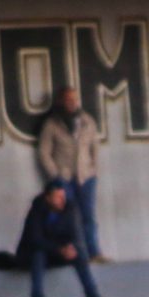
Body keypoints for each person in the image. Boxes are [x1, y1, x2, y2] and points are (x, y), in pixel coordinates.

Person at [38, 86, 108, 263]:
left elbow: (95, 147)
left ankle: (94, 252)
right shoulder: (52, 124)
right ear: (60, 101)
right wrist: (56, 175)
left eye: (74, 99)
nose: (72, 103)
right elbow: (43, 152)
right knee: (68, 217)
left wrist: (93, 169)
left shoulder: (87, 121)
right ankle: (74, 254)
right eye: (68, 99)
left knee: (88, 216)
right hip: (64, 179)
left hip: (86, 177)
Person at [15, 181, 102, 297]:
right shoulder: (36, 211)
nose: (62, 200)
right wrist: (58, 249)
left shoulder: (70, 208)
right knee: (39, 254)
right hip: (35, 254)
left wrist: (70, 248)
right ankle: (38, 296)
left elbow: (75, 234)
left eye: (63, 196)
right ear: (48, 198)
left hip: (59, 253)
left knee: (79, 254)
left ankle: (92, 295)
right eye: (58, 197)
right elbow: (35, 239)